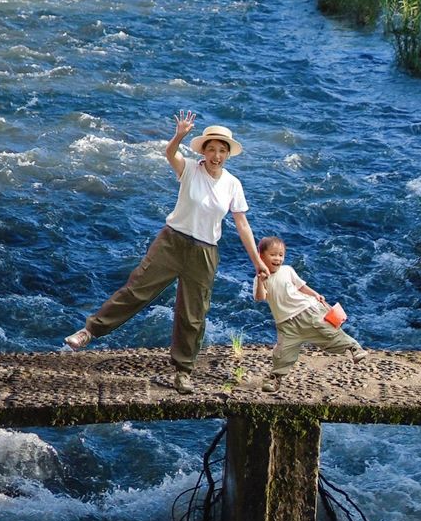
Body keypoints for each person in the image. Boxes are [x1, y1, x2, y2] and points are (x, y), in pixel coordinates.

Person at [64, 112, 268, 392]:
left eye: (222, 151)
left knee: (193, 314)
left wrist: (258, 262)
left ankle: (183, 371)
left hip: (205, 253)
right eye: (212, 149)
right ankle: (90, 331)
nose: (216, 155)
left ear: (228, 154)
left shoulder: (233, 184)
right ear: (204, 151)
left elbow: (242, 225)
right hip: (172, 242)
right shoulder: (190, 169)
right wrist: (180, 134)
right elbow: (170, 153)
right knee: (138, 290)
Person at [254, 235, 364, 379]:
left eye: (281, 255)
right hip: (285, 323)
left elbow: (301, 286)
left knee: (328, 332)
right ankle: (275, 378)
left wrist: (315, 294)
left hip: (306, 310)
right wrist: (262, 282)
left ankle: (354, 348)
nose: (278, 259)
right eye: (273, 255)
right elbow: (260, 297)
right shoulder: (259, 278)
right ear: (261, 256)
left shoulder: (287, 270)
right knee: (283, 352)